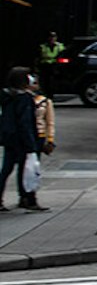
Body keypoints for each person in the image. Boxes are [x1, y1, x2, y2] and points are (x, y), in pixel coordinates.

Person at [1, 67, 48, 212]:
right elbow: (25, 123)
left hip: (9, 137)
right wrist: (31, 145)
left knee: (7, 169)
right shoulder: (25, 99)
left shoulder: (7, 96)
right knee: (27, 169)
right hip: (22, 139)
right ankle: (28, 198)